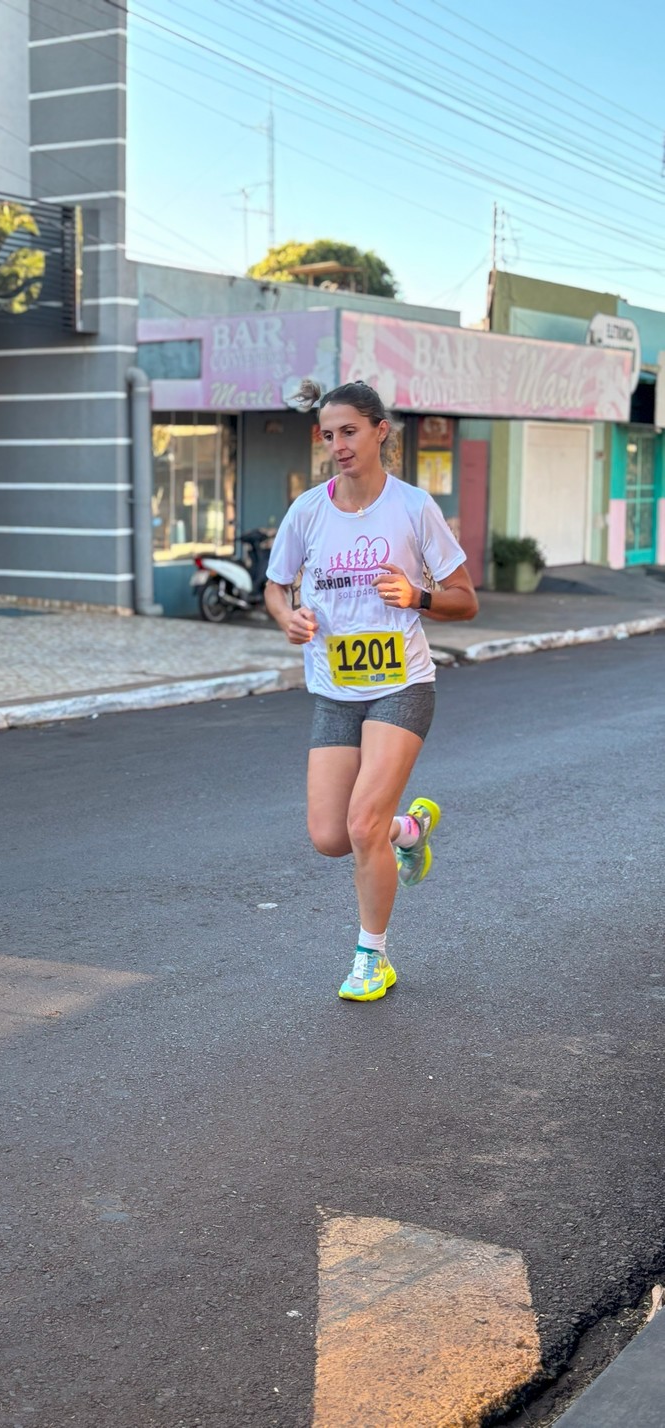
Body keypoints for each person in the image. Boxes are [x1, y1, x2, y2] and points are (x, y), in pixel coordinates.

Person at [264, 379, 478, 1002]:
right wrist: (287, 617)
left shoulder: (413, 509)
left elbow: (465, 599)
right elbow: (277, 586)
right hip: (335, 690)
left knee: (361, 825)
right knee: (331, 837)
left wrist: (418, 595)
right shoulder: (308, 511)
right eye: (329, 435)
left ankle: (372, 955)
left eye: (349, 431)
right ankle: (408, 831)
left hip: (401, 686)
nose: (338, 445)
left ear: (380, 430)